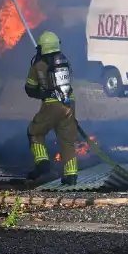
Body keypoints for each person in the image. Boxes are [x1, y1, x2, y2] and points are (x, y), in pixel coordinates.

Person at [24, 31, 79, 185]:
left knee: (34, 132)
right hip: (69, 103)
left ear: (43, 48)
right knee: (67, 140)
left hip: (52, 104)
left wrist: (42, 92)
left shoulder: (38, 64)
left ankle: (42, 163)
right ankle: (71, 175)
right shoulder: (64, 61)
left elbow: (30, 88)